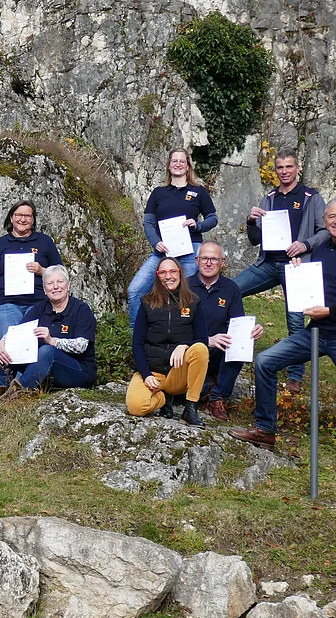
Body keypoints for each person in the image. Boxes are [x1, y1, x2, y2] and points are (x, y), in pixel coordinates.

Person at [229, 198, 336, 487]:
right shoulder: (322, 248)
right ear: (325, 221)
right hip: (316, 332)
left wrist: (330, 312)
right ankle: (265, 430)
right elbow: (314, 286)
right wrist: (300, 270)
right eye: (331, 217)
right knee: (265, 362)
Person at [234, 148, 327, 395]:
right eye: (280, 167)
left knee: (295, 321)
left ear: (297, 168)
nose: (284, 171)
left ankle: (295, 376)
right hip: (268, 263)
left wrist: (305, 244)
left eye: (289, 167)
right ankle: (237, 346)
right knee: (231, 290)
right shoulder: (269, 198)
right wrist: (251, 221)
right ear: (275, 171)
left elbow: (325, 231)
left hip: (296, 266)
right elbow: (255, 239)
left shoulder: (311, 197)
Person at [126, 149, 218, 325]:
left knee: (187, 296)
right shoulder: (158, 193)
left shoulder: (198, 191)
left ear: (188, 166)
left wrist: (197, 225)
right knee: (135, 291)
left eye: (182, 161)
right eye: (174, 161)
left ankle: (188, 339)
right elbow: (148, 223)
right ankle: (138, 339)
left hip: (190, 252)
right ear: (168, 166)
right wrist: (156, 242)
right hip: (162, 253)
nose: (178, 164)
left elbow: (212, 218)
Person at [0, 265, 96, 407]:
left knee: (46, 351)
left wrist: (52, 340)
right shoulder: (40, 308)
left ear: (68, 285)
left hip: (79, 371)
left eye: (60, 282)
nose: (55, 287)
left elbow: (81, 346)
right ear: (44, 290)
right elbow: (18, 331)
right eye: (50, 284)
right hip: (45, 371)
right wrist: (3, 342)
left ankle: (18, 395)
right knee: (11, 348)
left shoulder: (81, 309)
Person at [125, 257, 209, 427]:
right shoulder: (147, 302)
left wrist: (184, 345)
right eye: (162, 272)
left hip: (176, 373)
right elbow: (137, 344)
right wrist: (146, 374)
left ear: (180, 273)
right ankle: (163, 399)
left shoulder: (193, 302)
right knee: (136, 407)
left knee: (200, 349)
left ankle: (190, 408)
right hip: (153, 373)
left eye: (172, 271)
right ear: (157, 276)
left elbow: (202, 339)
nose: (168, 276)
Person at [188, 241, 264, 421]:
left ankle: (217, 397)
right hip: (189, 352)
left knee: (239, 343)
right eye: (204, 258)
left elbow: (239, 324)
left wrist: (252, 331)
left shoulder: (231, 289)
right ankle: (206, 386)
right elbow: (175, 330)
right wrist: (207, 340)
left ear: (223, 262)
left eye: (214, 259)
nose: (208, 263)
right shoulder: (184, 286)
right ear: (197, 260)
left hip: (217, 353)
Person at [0, 200, 63, 338]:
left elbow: (60, 274)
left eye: (28, 216)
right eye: (19, 215)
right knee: (10, 349)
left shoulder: (45, 242)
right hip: (6, 305)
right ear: (11, 218)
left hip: (39, 304)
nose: (23, 219)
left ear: (33, 219)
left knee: (37, 348)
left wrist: (42, 271)